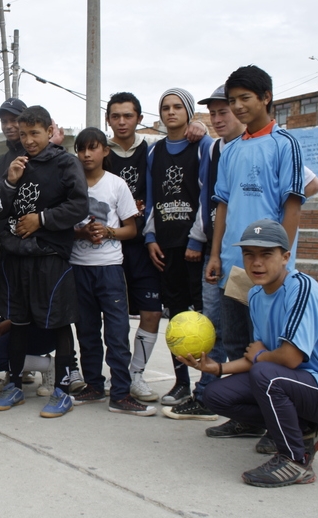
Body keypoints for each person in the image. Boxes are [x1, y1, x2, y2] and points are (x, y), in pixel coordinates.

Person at [184, 219, 318, 487]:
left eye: (266, 254)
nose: (256, 263)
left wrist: (258, 357)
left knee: (266, 374)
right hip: (290, 380)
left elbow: (287, 358)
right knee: (215, 395)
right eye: (249, 255)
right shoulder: (256, 295)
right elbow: (258, 356)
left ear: (285, 257)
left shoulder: (301, 288)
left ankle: (295, 460)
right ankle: (306, 428)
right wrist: (217, 369)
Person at [204, 66, 307, 434]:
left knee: (271, 349)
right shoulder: (230, 151)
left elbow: (291, 206)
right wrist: (216, 254)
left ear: (265, 97)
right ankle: (246, 418)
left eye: (245, 98)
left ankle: (278, 420)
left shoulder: (285, 144)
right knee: (236, 343)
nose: (238, 106)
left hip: (270, 271)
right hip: (235, 266)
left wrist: (283, 258)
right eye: (233, 100)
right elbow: (222, 207)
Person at [104, 92, 206, 404]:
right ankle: (104, 375)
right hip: (111, 247)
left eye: (128, 115)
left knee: (155, 312)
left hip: (156, 246)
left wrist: (201, 127)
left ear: (138, 118)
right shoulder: (98, 151)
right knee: (111, 316)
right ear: (108, 119)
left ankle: (138, 375)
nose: (122, 121)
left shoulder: (152, 150)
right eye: (116, 116)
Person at [0, 105, 88, 419]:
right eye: (24, 134)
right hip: (16, 259)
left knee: (59, 322)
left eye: (35, 133)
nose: (29, 140)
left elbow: (79, 206)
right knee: (17, 322)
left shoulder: (65, 163)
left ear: (50, 130)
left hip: (50, 259)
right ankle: (15, 384)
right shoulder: (10, 164)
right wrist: (9, 183)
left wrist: (41, 219)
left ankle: (62, 389)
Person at [71, 128, 155, 415]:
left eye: (92, 148)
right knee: (87, 332)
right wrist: (81, 233)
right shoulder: (71, 185)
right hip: (78, 268)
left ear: (105, 151)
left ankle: (120, 393)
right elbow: (59, 228)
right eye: (81, 149)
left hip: (109, 269)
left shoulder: (117, 185)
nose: (86, 155)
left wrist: (107, 231)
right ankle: (94, 385)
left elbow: (132, 229)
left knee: (117, 334)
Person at [144, 88, 214, 409]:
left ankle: (208, 385)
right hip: (166, 246)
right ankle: (181, 382)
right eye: (165, 107)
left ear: (188, 112)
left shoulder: (202, 147)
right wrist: (150, 238)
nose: (171, 112)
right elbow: (150, 200)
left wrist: (198, 238)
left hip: (194, 247)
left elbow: (206, 194)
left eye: (177, 107)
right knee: (177, 318)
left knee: (204, 317)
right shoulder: (154, 152)